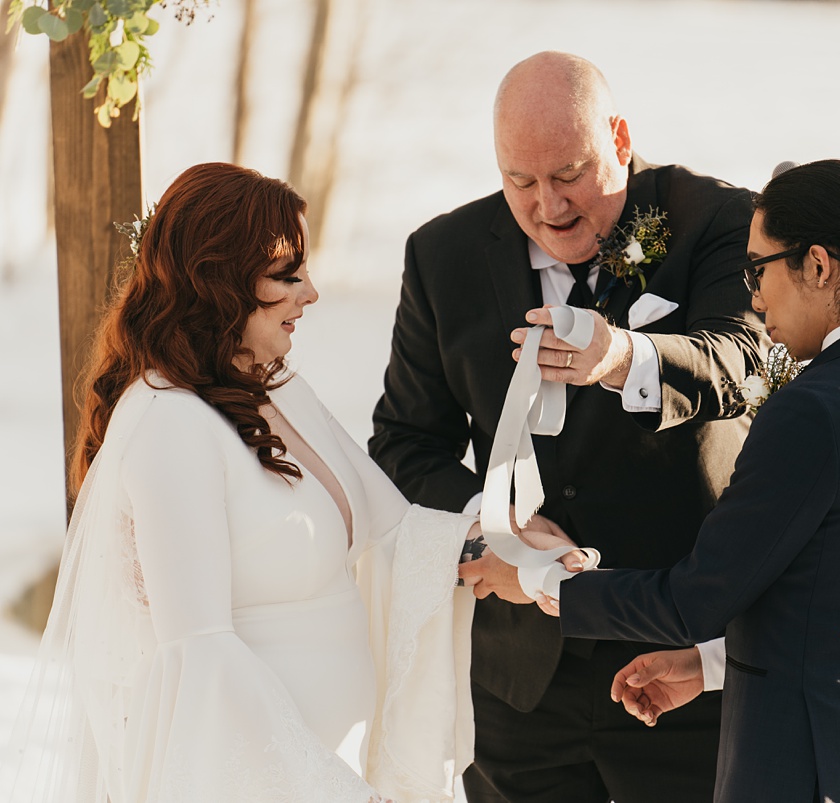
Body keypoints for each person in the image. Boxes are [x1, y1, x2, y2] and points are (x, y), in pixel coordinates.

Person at [5, 162, 575, 803]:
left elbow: (394, 537)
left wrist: (505, 549)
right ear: (216, 281)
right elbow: (201, 656)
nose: (311, 293)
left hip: (335, 763)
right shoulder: (167, 421)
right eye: (287, 275)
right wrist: (329, 789)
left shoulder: (274, 388)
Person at [473, 158, 840, 802]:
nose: (754, 296)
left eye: (758, 268)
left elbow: (694, 598)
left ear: (818, 266)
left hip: (803, 770)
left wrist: (539, 579)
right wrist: (710, 667)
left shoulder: (814, 406)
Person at [368, 51, 764, 802]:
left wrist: (623, 355)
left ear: (618, 138)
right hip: (520, 679)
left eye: (569, 175)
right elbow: (404, 442)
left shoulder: (715, 219)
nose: (548, 204)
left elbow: (741, 362)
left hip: (678, 655)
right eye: (521, 181)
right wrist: (498, 526)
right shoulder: (441, 256)